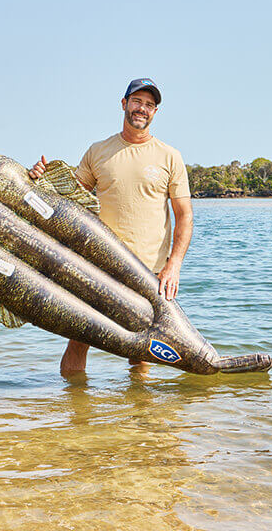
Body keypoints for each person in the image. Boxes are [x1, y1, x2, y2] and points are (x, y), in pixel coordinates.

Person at [28, 78, 193, 376]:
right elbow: (69, 199)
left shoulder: (170, 156)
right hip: (99, 264)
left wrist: (174, 265)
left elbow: (184, 215)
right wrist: (38, 179)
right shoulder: (98, 151)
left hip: (150, 270)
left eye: (149, 104)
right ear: (124, 104)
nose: (142, 108)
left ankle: (139, 412)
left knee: (144, 349)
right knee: (80, 337)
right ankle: (76, 410)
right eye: (137, 101)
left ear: (155, 112)